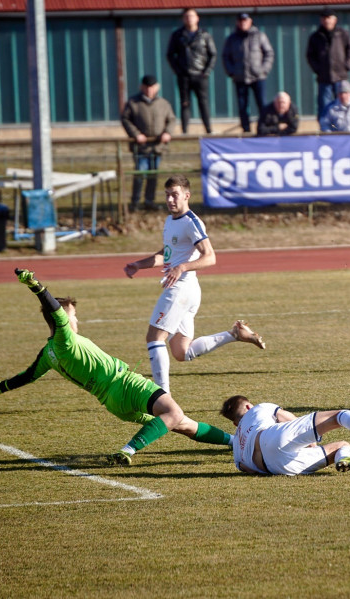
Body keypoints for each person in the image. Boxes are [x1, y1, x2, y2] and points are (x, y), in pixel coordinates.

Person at [0, 268, 233, 466]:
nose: (76, 319)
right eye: (73, 314)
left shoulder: (48, 353)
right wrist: (37, 286)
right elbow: (55, 310)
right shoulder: (65, 339)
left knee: (181, 424)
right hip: (125, 385)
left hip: (113, 404)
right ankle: (127, 451)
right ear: (62, 318)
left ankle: (234, 443)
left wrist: (1, 387)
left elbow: (28, 376)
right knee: (174, 414)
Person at [124, 175, 266, 395]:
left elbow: (210, 257)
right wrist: (138, 264)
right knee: (182, 352)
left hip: (180, 289)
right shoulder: (171, 220)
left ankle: (163, 397)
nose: (170, 199)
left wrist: (182, 268)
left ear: (186, 196)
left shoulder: (191, 222)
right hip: (186, 291)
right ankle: (235, 334)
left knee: (154, 338)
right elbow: (168, 255)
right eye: (167, 195)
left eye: (175, 195)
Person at [221, 395, 350, 475]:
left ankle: (345, 459)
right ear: (247, 406)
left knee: (341, 445)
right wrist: (309, 441)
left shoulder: (237, 446)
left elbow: (247, 469)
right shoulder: (258, 409)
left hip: (274, 467)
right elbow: (286, 417)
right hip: (269, 437)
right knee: (338, 416)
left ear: (234, 422)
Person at [120, 75, 176, 211]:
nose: (149, 90)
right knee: (140, 174)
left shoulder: (163, 104)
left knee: (153, 175)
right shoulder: (133, 103)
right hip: (141, 147)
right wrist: (136, 134)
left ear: (157, 87)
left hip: (157, 147)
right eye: (146, 87)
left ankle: (149, 201)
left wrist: (168, 132)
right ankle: (135, 202)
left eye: (152, 87)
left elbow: (172, 119)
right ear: (141, 87)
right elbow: (125, 119)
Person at [166, 9, 216, 134]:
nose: (189, 19)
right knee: (185, 103)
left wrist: (206, 71)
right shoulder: (177, 35)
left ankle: (208, 129)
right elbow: (170, 54)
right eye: (186, 16)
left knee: (203, 103)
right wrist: (178, 70)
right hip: (184, 75)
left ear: (197, 18)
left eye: (192, 16)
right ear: (183, 19)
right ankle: (185, 131)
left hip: (200, 75)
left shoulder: (204, 35)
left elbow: (213, 54)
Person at [222, 13, 274, 134]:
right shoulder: (232, 39)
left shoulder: (259, 36)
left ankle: (263, 129)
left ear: (250, 21)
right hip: (240, 77)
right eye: (240, 21)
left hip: (258, 77)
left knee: (262, 104)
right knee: (242, 107)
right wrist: (231, 72)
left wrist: (264, 69)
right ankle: (246, 130)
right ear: (237, 23)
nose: (243, 23)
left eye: (245, 20)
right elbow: (225, 57)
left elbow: (269, 53)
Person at [306, 9, 350, 119]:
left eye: (329, 18)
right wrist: (318, 69)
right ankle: (326, 130)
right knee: (324, 106)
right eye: (324, 18)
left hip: (341, 76)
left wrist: (347, 65)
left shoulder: (343, 34)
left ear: (334, 19)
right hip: (324, 77)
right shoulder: (315, 36)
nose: (326, 21)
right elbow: (310, 56)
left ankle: (344, 128)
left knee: (344, 103)